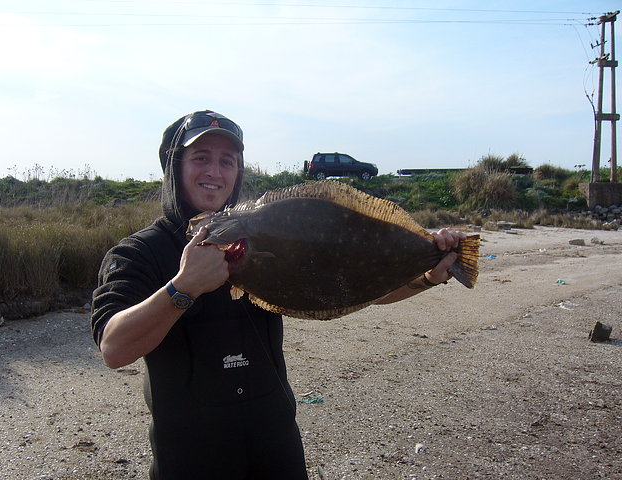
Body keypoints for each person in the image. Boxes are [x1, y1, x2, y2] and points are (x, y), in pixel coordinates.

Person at [91, 109, 465, 480]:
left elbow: (346, 289)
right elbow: (114, 348)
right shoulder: (139, 252)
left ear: (238, 172)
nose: (214, 172)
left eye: (228, 161)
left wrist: (428, 276)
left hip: (276, 447)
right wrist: (182, 288)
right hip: (189, 457)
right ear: (173, 167)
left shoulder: (269, 228)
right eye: (200, 158)